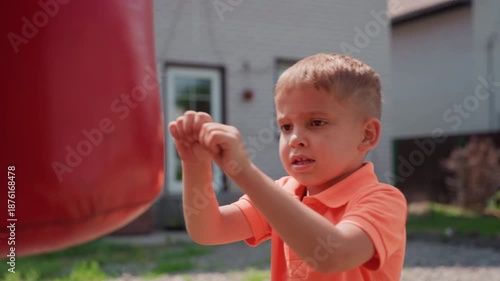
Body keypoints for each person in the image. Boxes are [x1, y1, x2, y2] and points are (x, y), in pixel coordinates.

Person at [168, 53, 407, 281]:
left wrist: (244, 172)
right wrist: (195, 165)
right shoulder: (284, 191)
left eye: (316, 122)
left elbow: (334, 255)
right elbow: (210, 230)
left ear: (366, 135)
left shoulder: (383, 201)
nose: (295, 139)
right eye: (286, 126)